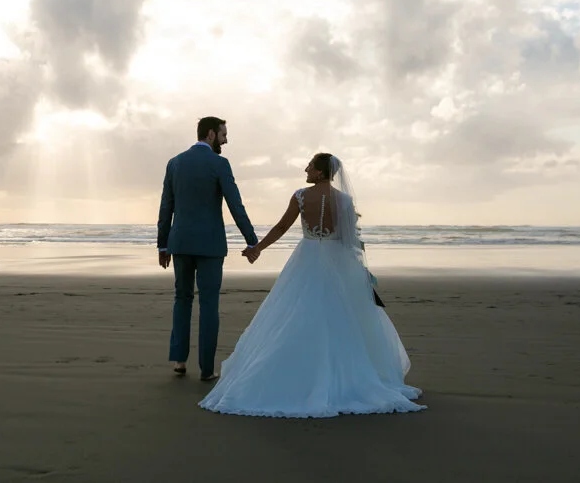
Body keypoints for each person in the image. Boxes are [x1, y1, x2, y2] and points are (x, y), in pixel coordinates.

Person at [198, 153, 426, 417]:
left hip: (307, 258)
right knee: (341, 317)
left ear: (319, 172)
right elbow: (347, 238)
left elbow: (283, 226)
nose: (305, 169)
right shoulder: (344, 200)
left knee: (296, 311)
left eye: (310, 166)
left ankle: (298, 373)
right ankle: (346, 375)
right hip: (338, 261)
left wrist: (257, 248)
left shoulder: (301, 196)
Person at [157, 116, 259, 381]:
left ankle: (180, 361)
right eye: (224, 134)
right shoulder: (219, 164)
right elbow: (235, 205)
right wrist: (251, 240)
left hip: (179, 242)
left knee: (182, 299)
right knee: (209, 304)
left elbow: (166, 206)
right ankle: (206, 369)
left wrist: (162, 244)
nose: (226, 139)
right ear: (211, 134)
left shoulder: (175, 163)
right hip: (210, 244)